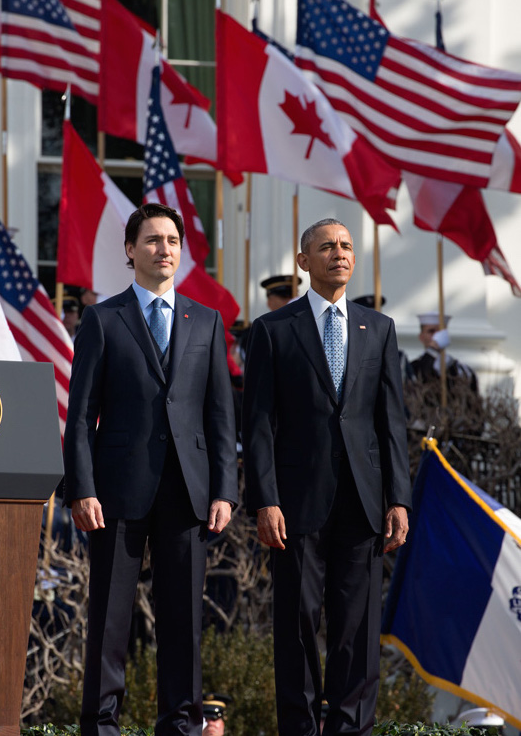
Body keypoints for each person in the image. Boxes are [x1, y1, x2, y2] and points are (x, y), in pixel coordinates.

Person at [63, 202, 238, 736]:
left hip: (188, 493)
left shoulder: (205, 321)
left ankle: (180, 725)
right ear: (130, 250)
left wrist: (225, 491)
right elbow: (79, 415)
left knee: (183, 622)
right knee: (110, 620)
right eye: (154, 240)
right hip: (116, 492)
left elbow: (219, 417)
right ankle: (102, 725)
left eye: (172, 241)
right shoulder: (101, 318)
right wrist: (81, 487)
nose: (165, 249)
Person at [242, 218, 412, 736]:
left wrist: (398, 499)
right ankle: (298, 728)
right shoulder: (272, 330)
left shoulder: (378, 328)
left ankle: (350, 728)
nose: (339, 254)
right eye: (326, 247)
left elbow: (391, 422)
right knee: (296, 625)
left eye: (345, 247)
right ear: (303, 262)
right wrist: (264, 498)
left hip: (362, 503)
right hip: (294, 505)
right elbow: (259, 426)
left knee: (356, 633)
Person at [411, 311, 478, 392]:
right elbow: (423, 376)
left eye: (440, 332)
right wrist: (433, 349)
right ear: (421, 337)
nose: (437, 336)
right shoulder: (412, 368)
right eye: (431, 331)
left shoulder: (462, 370)